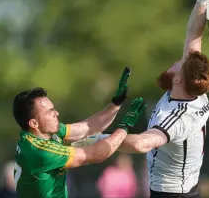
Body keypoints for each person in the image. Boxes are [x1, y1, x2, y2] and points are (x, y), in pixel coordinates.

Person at [117, 0, 209, 198]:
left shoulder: (177, 117)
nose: (175, 62)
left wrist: (99, 140)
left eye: (178, 64)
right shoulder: (194, 92)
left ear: (179, 79)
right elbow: (194, 32)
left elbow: (143, 143)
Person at [12, 67, 147, 198]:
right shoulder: (40, 151)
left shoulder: (41, 133)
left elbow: (88, 127)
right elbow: (96, 154)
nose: (56, 113)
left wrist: (116, 102)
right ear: (33, 123)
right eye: (50, 112)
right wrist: (124, 126)